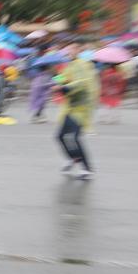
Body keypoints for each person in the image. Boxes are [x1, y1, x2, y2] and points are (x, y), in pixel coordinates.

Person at [55, 49, 95, 179]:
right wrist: (55, 78)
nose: (68, 54)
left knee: (74, 137)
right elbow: (64, 77)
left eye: (71, 51)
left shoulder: (82, 66)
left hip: (81, 110)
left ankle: (87, 169)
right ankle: (73, 158)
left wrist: (64, 87)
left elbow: (80, 83)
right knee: (60, 136)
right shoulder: (72, 65)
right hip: (71, 109)